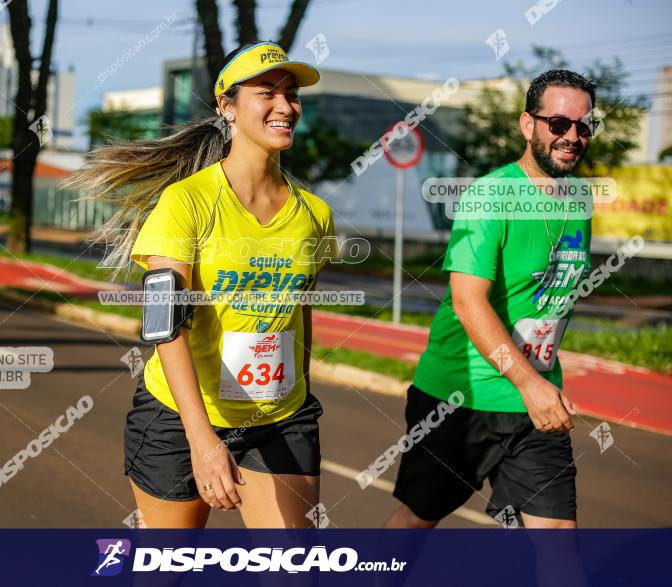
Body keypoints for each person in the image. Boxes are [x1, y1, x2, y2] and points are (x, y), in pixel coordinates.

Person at [69, 41, 337, 528]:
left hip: (281, 416)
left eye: (292, 94)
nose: (285, 106)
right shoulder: (185, 202)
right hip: (181, 415)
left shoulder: (315, 214)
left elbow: (301, 314)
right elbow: (163, 325)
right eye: (266, 92)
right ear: (227, 107)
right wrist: (202, 438)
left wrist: (299, 390)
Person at [385, 70, 598, 529]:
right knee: (417, 520)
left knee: (558, 536)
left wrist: (536, 384)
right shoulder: (489, 196)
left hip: (535, 402)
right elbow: (468, 302)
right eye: (559, 124)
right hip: (460, 396)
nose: (572, 137)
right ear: (528, 125)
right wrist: (528, 384)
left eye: (584, 126)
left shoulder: (580, 197)